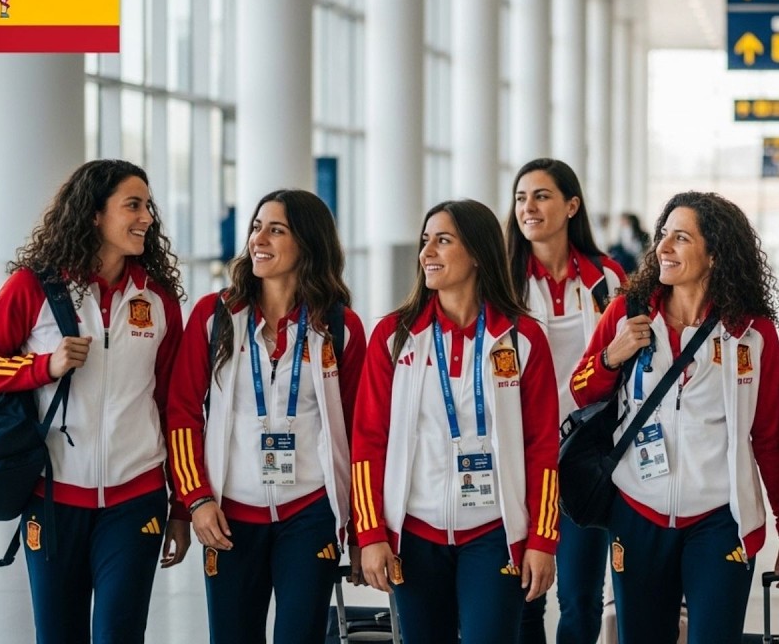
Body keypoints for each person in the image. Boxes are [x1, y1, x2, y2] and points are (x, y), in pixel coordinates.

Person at [0, 159, 190, 643]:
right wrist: (44, 366)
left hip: (136, 497)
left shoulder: (160, 300)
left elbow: (175, 406)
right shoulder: (34, 287)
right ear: (93, 214)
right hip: (53, 498)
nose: (147, 216)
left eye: (148, 205)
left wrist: (183, 506)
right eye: (133, 205)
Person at [570, 191, 779, 644]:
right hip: (637, 511)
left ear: (714, 254)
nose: (663, 247)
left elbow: (769, 436)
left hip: (719, 517)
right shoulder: (629, 312)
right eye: (663, 235)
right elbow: (580, 388)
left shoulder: (751, 332)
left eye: (681, 238)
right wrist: (613, 355)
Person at [351, 199, 561, 644]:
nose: (427, 251)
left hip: (494, 533)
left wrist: (542, 538)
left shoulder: (523, 338)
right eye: (425, 240)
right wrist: (370, 533)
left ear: (479, 253)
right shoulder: (393, 337)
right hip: (414, 532)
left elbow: (541, 446)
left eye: (443, 241)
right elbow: (369, 441)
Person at [166, 189, 366, 644]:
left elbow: (360, 434)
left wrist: (359, 528)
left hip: (311, 513)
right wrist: (194, 499)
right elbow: (181, 415)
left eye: (276, 230)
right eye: (257, 227)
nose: (260, 238)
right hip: (228, 515)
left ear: (308, 243)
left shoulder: (338, 326)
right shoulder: (215, 317)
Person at [506, 158, 626, 644]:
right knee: (523, 596)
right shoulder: (502, 281)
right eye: (520, 198)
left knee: (580, 598)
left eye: (541, 196)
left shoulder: (607, 280)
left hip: (584, 459)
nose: (528, 207)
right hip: (520, 458)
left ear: (572, 205)